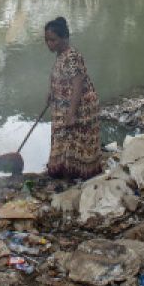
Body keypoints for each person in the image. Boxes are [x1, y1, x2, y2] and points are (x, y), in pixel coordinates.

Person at [42, 17, 102, 180]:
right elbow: (61, 77)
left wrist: (72, 113)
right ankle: (67, 172)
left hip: (80, 107)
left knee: (75, 141)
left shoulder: (72, 56)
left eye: (53, 40)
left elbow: (77, 84)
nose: (49, 44)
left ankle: (79, 175)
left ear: (64, 38)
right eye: (47, 40)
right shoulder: (61, 55)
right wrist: (51, 92)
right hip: (64, 106)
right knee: (65, 141)